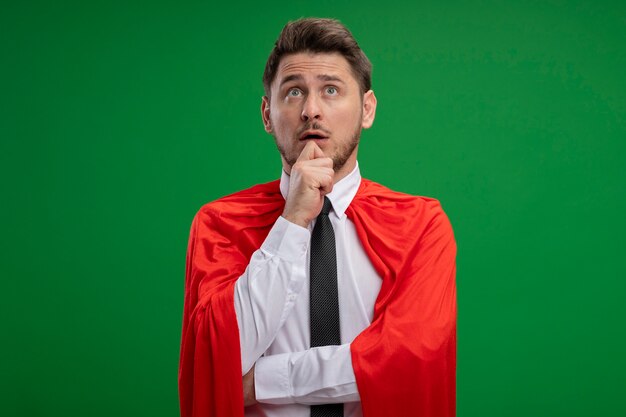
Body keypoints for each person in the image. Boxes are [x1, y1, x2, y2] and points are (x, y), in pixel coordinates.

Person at [179, 18, 457, 417]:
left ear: (367, 109)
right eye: (293, 92)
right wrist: (291, 220)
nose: (311, 110)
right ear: (267, 115)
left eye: (331, 90)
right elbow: (216, 359)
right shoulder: (219, 224)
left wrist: (262, 381)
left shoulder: (421, 225)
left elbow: (407, 358)